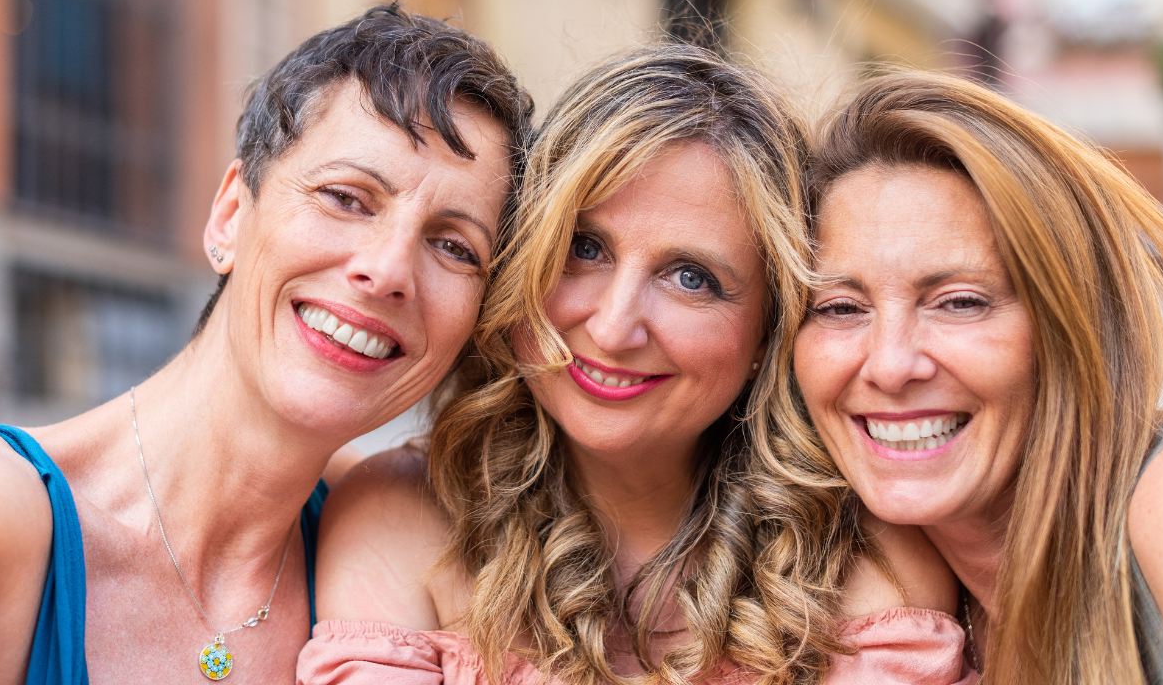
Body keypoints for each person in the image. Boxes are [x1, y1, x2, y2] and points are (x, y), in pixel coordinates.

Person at [0, 2, 533, 684]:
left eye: (454, 247)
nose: (388, 271)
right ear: (230, 216)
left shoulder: (403, 536)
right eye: (346, 198)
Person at [301, 47, 971, 685]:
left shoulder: (868, 550)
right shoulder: (398, 514)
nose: (613, 328)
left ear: (769, 331)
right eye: (584, 247)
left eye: (691, 277)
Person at [795, 70, 1163, 683]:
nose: (890, 366)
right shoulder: (862, 598)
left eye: (959, 302)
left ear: (1067, 324)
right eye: (840, 308)